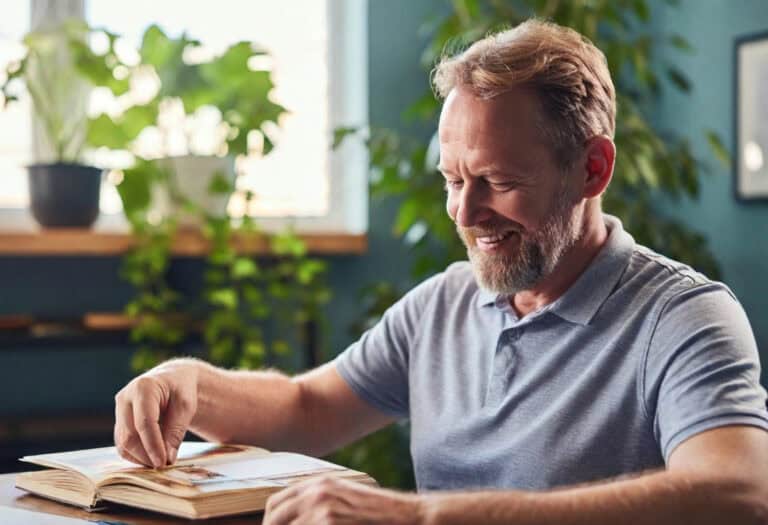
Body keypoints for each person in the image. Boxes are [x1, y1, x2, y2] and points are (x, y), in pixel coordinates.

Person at [113, 19, 768, 524]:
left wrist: (424, 514)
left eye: (497, 181)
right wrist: (190, 382)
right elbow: (306, 408)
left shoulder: (682, 317)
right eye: (452, 179)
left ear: (593, 169)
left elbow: (740, 489)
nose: (465, 211)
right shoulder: (444, 303)